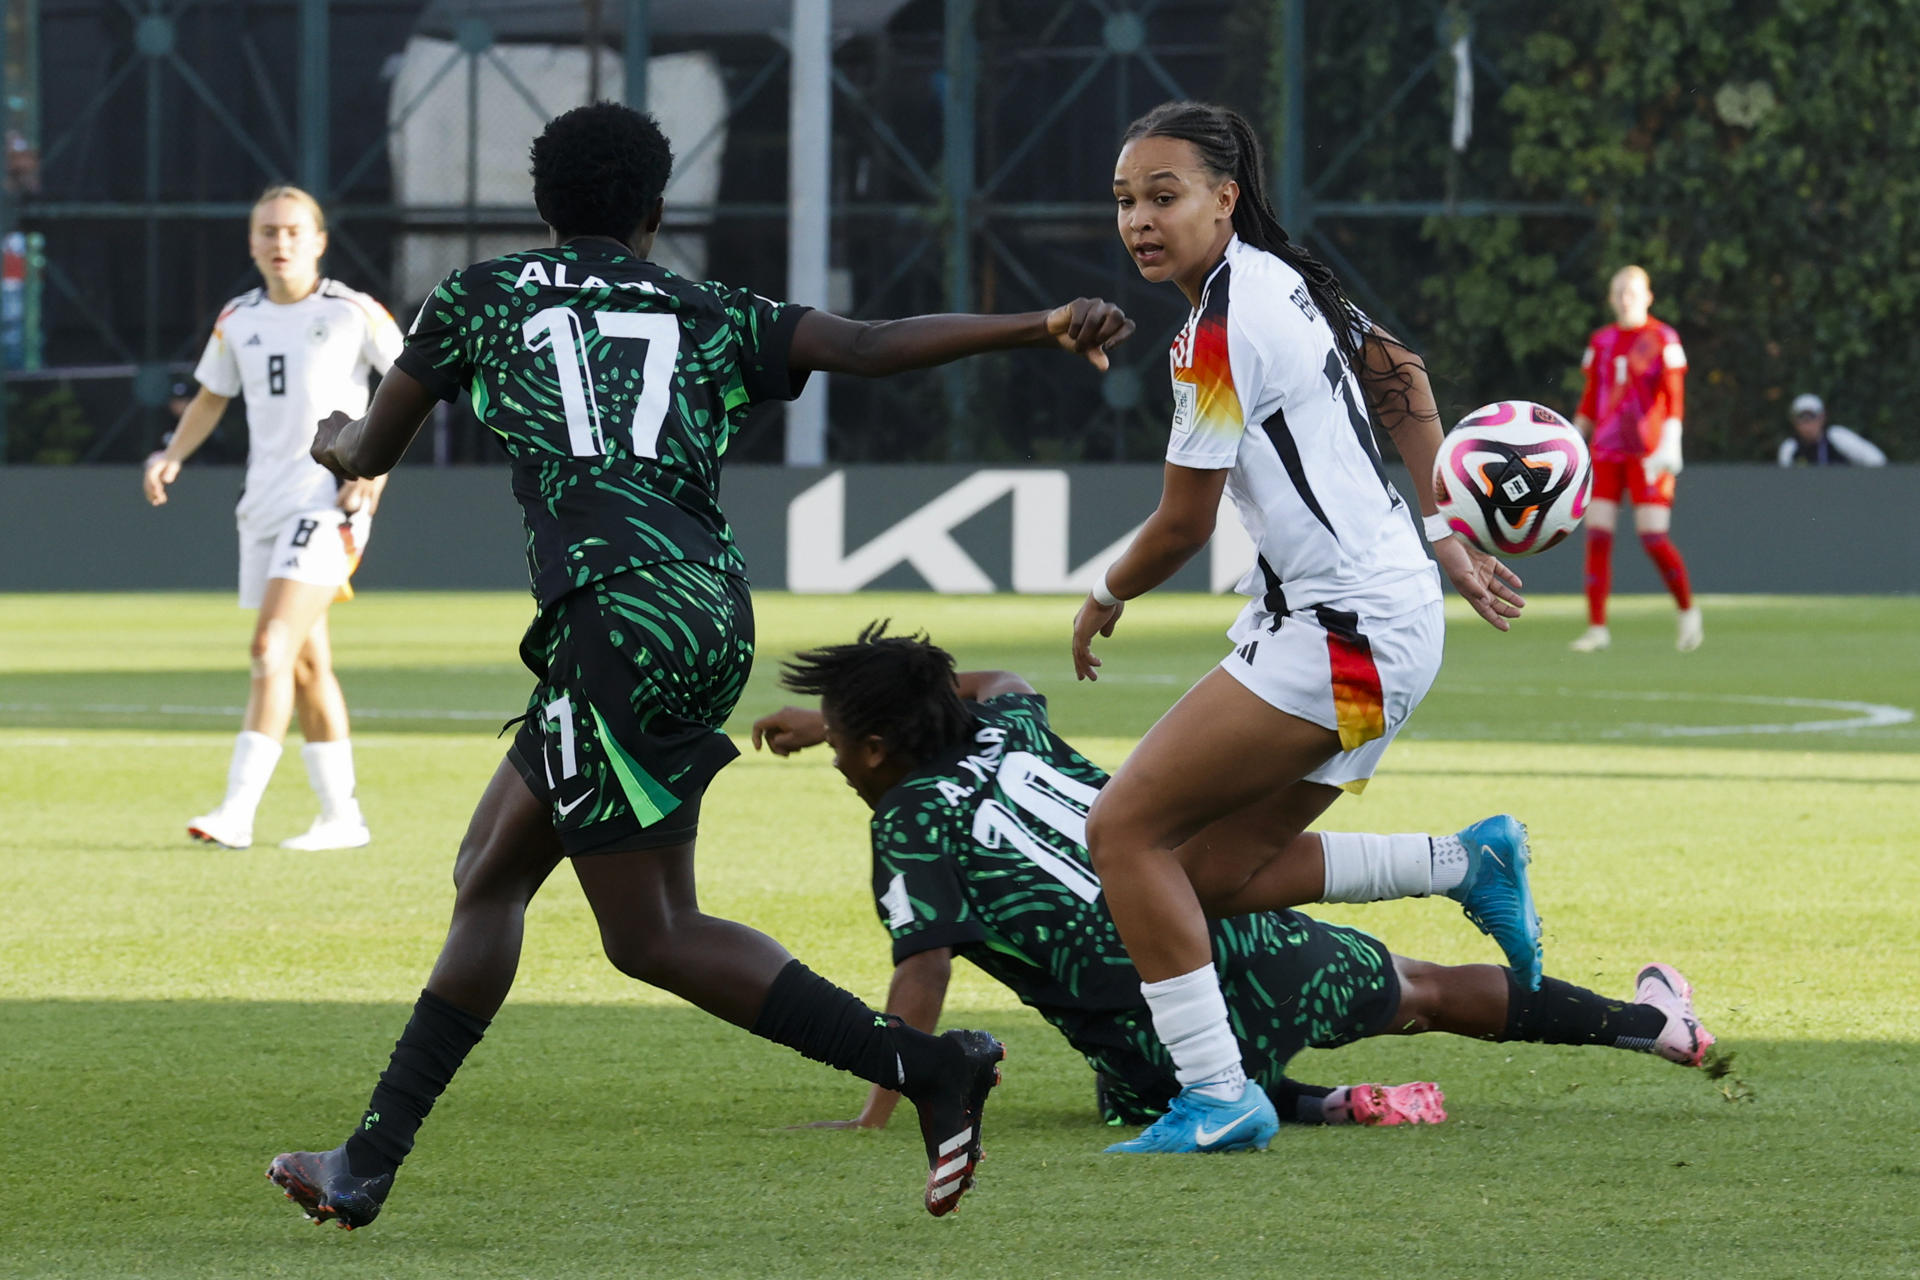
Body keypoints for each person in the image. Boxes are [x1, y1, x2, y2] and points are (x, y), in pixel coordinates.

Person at [264, 102, 1137, 1229]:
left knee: (651, 933)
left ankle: (932, 1067)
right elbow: (868, 346)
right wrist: (1041, 322)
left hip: (610, 617)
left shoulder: (479, 296)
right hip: (701, 608)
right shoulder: (702, 304)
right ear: (654, 211)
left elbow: (368, 450)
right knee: (490, 867)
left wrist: (334, 434)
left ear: (541, 204)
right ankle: (365, 1161)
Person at [1052, 100, 1537, 1155]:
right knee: (1211, 873)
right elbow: (1400, 367)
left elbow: (1182, 523)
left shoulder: (1218, 330)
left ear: (1225, 199)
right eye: (1126, 200)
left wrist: (1105, 593)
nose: (1140, 219)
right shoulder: (1282, 275)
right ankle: (1468, 863)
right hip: (1382, 631)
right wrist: (1444, 529)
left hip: (1347, 636)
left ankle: (1220, 1095)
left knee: (1122, 833)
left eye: (1165, 196)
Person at [750, 627, 1715, 1135]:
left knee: (1135, 1087)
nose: (835, 756)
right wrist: (867, 706)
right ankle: (1661, 1030)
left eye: (843, 740)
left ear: (876, 746)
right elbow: (997, 678)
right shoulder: (1011, 727)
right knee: (1421, 988)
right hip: (1220, 923)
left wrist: (886, 1103)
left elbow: (923, 975)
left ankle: (1310, 1103)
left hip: (1154, 1027)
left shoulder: (910, 822)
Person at [142, 186, 404, 851]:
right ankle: (342, 818)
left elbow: (412, 387)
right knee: (306, 667)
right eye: (267, 232)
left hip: (328, 502)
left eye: (293, 231)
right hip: (261, 506)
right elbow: (211, 397)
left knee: (269, 648)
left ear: (318, 241)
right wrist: (171, 456)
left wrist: (373, 470)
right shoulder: (239, 319)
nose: (279, 243)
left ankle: (238, 810)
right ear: (253, 242)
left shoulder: (352, 312)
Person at [1568, 265, 1703, 653]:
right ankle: (1597, 628)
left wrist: (1671, 441)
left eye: (1632, 290)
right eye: (1619, 291)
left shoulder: (1663, 338)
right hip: (1607, 451)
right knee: (1597, 535)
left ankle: (1687, 610)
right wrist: (1572, 445)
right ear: (1611, 299)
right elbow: (1591, 398)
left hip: (1648, 452)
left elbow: (1674, 394)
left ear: (1648, 296)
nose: (1626, 297)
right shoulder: (1602, 341)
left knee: (1653, 535)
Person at [1777, 393, 1885, 467]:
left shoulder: (1837, 437)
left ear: (1822, 417)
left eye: (1812, 417)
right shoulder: (1790, 448)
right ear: (1794, 422)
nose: (1808, 424)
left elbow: (1877, 460)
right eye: (1802, 418)